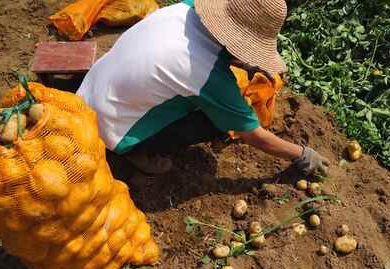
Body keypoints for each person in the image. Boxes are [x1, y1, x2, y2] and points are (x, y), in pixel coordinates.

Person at [76, 0, 330, 176]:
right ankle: (140, 152)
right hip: (106, 131)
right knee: (213, 123)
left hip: (85, 96)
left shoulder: (183, 9)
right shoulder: (207, 76)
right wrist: (301, 154)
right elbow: (253, 136)